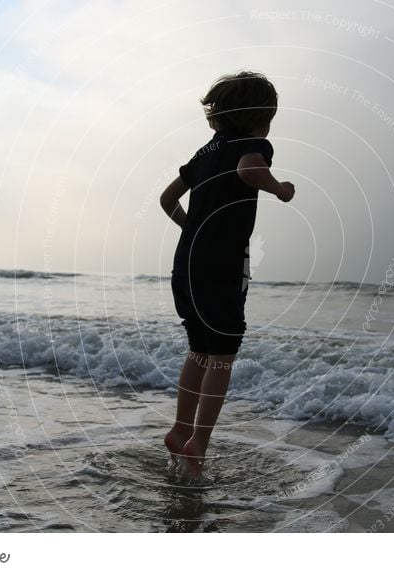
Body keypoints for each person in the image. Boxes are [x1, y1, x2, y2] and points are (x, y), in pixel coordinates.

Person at [159, 71, 295, 480]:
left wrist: (192, 228)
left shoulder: (203, 153)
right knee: (221, 358)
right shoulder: (253, 144)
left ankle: (181, 430)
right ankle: (197, 443)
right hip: (221, 267)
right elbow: (250, 169)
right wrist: (280, 189)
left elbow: (167, 200)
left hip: (186, 265)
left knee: (198, 351)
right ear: (262, 118)